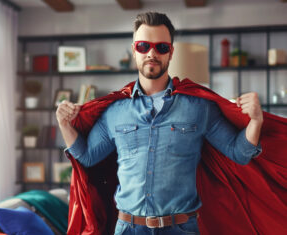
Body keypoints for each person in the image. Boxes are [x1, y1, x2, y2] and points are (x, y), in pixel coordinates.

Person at [56, 12, 263, 235]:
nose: (152, 53)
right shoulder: (114, 111)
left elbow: (238, 152)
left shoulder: (199, 107)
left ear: (170, 52)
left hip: (181, 229)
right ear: (134, 50)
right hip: (128, 229)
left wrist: (256, 121)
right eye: (144, 46)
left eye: (161, 47)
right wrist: (64, 124)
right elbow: (87, 156)